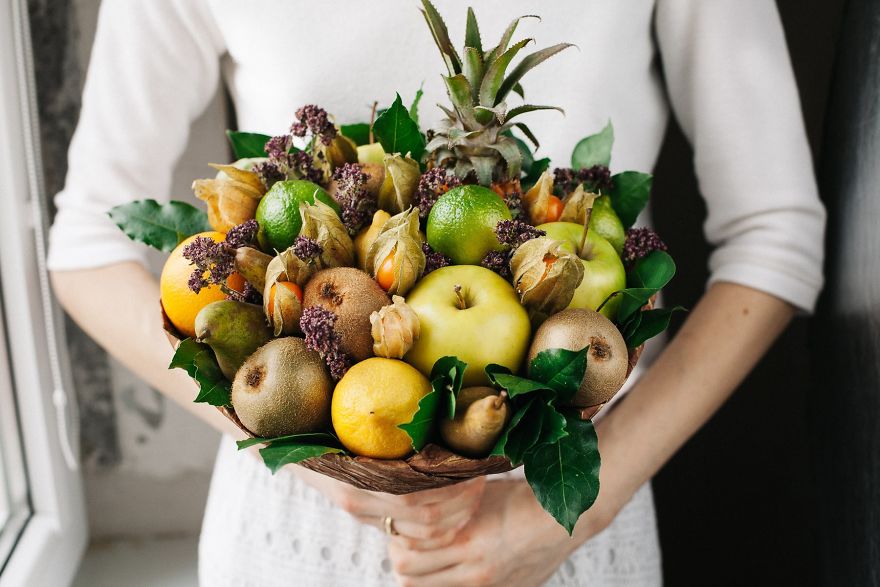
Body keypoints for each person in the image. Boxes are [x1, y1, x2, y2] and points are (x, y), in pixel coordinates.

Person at [48, 1, 825, 585]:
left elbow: (775, 233)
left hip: (568, 520)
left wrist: (565, 513)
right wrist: (314, 450)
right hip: (294, 537)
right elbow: (86, 241)